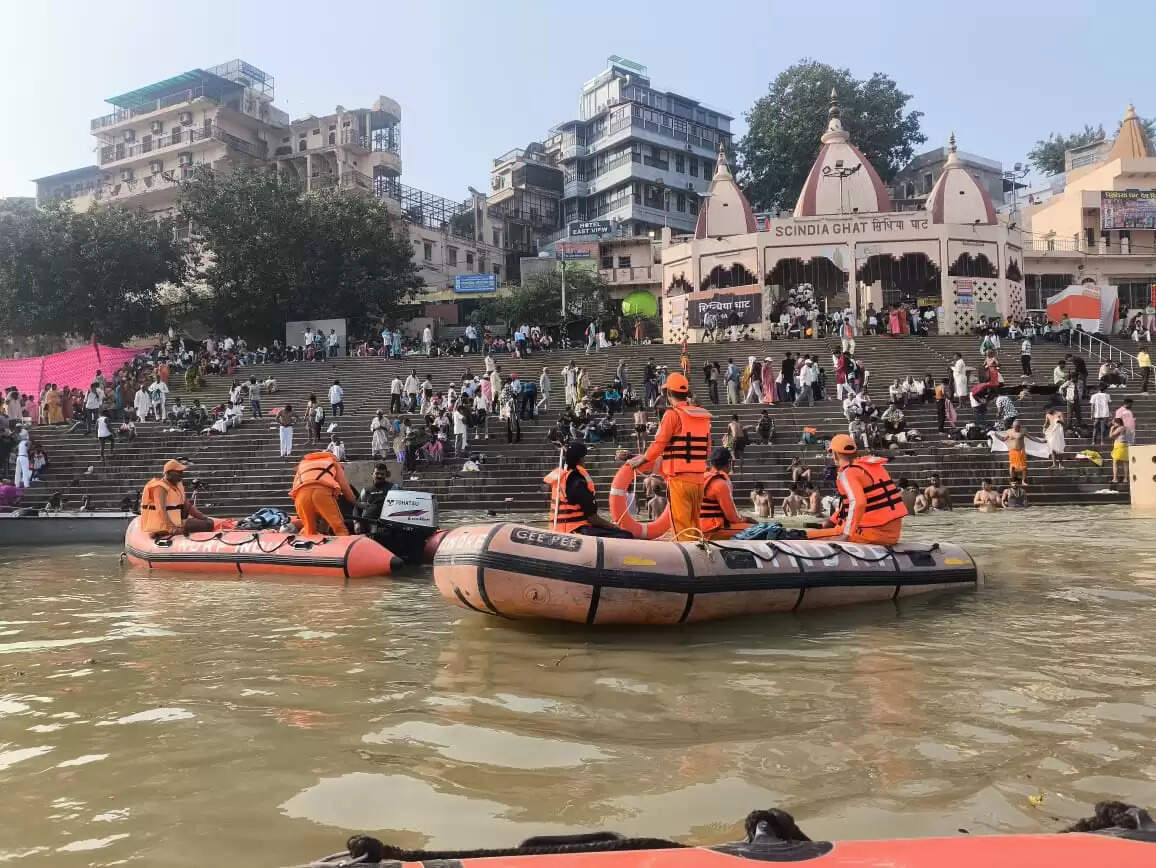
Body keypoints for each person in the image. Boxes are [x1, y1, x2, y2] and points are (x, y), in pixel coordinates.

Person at [627, 372, 711, 541]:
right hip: (699, 481)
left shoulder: (672, 415)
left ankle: (688, 565)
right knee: (694, 526)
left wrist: (643, 459)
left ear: (668, 394)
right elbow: (707, 449)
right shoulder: (703, 416)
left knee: (681, 530)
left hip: (679, 481)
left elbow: (659, 443)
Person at [806, 434, 906, 544]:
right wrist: (832, 521)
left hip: (873, 533)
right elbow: (850, 504)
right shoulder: (873, 466)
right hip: (892, 533)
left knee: (805, 536)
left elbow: (858, 503)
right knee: (827, 530)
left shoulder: (848, 473)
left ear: (834, 454)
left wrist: (846, 535)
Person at [545, 442, 630, 537]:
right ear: (580, 459)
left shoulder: (561, 477)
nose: (585, 460)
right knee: (626, 535)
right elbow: (593, 518)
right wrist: (613, 526)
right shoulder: (577, 482)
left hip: (557, 528)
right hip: (574, 529)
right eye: (584, 457)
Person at [289, 450, 357, 536]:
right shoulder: (333, 462)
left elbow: (295, 487)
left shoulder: (303, 464)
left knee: (309, 531)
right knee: (339, 527)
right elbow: (344, 486)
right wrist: (355, 502)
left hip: (301, 496)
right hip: (322, 493)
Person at [139, 459, 214, 536]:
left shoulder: (178, 485)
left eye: (182, 471)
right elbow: (161, 510)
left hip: (176, 523)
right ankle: (161, 533)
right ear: (168, 473)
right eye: (178, 472)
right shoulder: (160, 488)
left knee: (209, 522)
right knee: (206, 524)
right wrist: (172, 528)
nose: (181, 474)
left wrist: (203, 517)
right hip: (161, 526)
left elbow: (188, 506)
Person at [699, 447, 754, 539]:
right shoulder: (720, 484)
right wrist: (747, 519)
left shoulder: (702, 478)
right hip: (713, 530)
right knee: (759, 529)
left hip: (699, 528)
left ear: (711, 463)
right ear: (729, 463)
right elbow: (732, 517)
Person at [354, 463, 394, 534]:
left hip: (385, 527)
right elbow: (357, 508)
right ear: (372, 474)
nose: (379, 476)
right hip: (366, 526)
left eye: (382, 474)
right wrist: (356, 523)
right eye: (377, 473)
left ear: (386, 475)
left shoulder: (393, 488)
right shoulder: (366, 490)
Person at [1109, 416, 1129, 483]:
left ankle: (1115, 478)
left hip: (1119, 446)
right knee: (1125, 463)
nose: (1113, 425)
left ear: (1117, 423)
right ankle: (1125, 479)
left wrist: (1111, 429)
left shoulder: (1120, 428)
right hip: (1125, 445)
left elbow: (1111, 436)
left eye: (1114, 423)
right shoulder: (1126, 428)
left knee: (1115, 462)